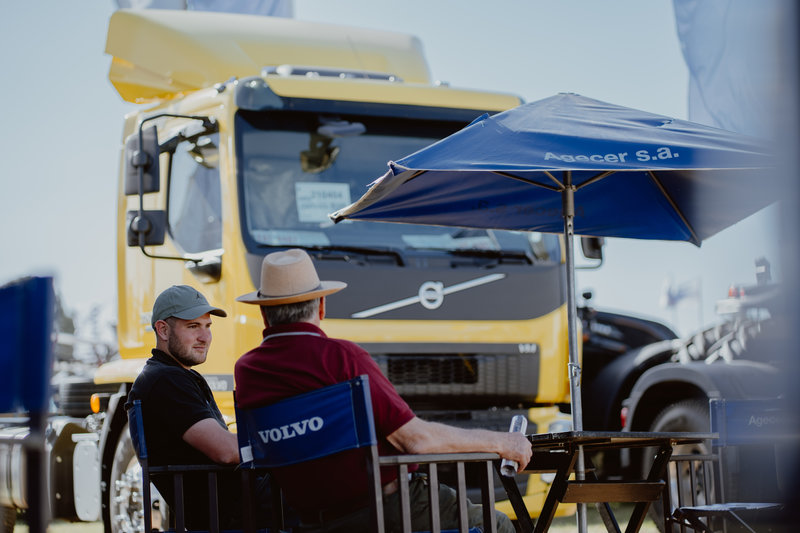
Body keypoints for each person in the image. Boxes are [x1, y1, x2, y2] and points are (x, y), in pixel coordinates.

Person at [234, 249, 532, 533]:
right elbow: (417, 440)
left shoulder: (247, 371)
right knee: (499, 524)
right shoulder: (341, 358)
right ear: (321, 306)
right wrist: (503, 442)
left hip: (312, 519)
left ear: (264, 315)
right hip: (389, 509)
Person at [127, 285, 266, 530]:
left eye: (208, 326)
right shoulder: (165, 380)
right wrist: (284, 438)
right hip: (234, 512)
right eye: (193, 327)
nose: (205, 337)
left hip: (240, 501)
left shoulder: (174, 376)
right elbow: (225, 451)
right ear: (163, 330)